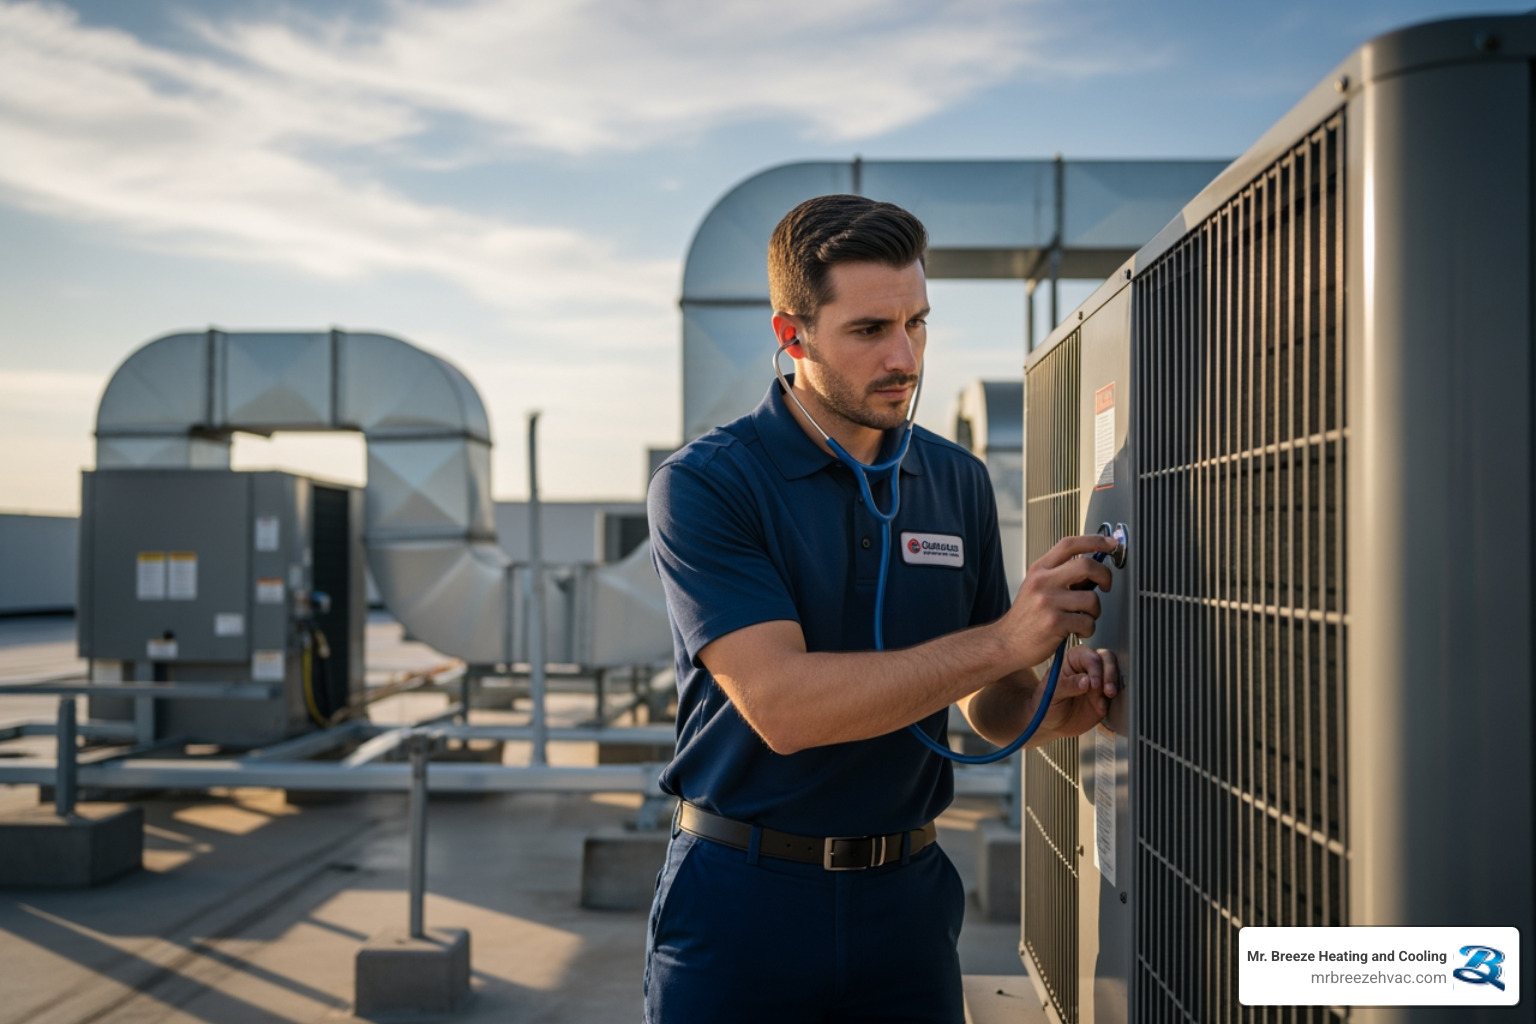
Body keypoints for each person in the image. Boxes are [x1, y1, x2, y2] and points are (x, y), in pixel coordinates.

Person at [644, 194, 1120, 1023]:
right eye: (869, 330)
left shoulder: (955, 481)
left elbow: (985, 705)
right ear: (791, 335)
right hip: (742, 901)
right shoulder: (710, 485)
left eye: (918, 322)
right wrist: (1006, 638)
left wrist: (1050, 703)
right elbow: (784, 708)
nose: (905, 356)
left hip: (907, 903)